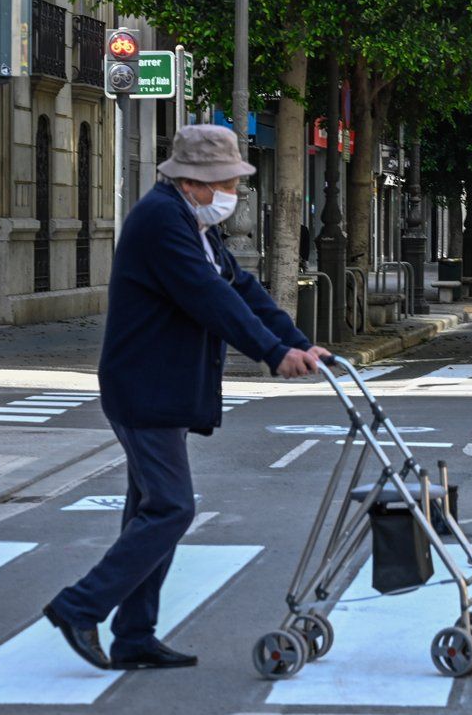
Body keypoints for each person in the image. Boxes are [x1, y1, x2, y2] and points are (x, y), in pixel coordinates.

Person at [42, 125, 329, 671]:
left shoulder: (190, 221)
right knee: (172, 508)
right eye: (228, 183)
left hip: (161, 386)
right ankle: (80, 606)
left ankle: (134, 634)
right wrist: (271, 354)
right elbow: (207, 296)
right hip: (143, 387)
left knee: (148, 511)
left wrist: (294, 341)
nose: (235, 194)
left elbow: (238, 285)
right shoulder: (160, 221)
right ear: (196, 181)